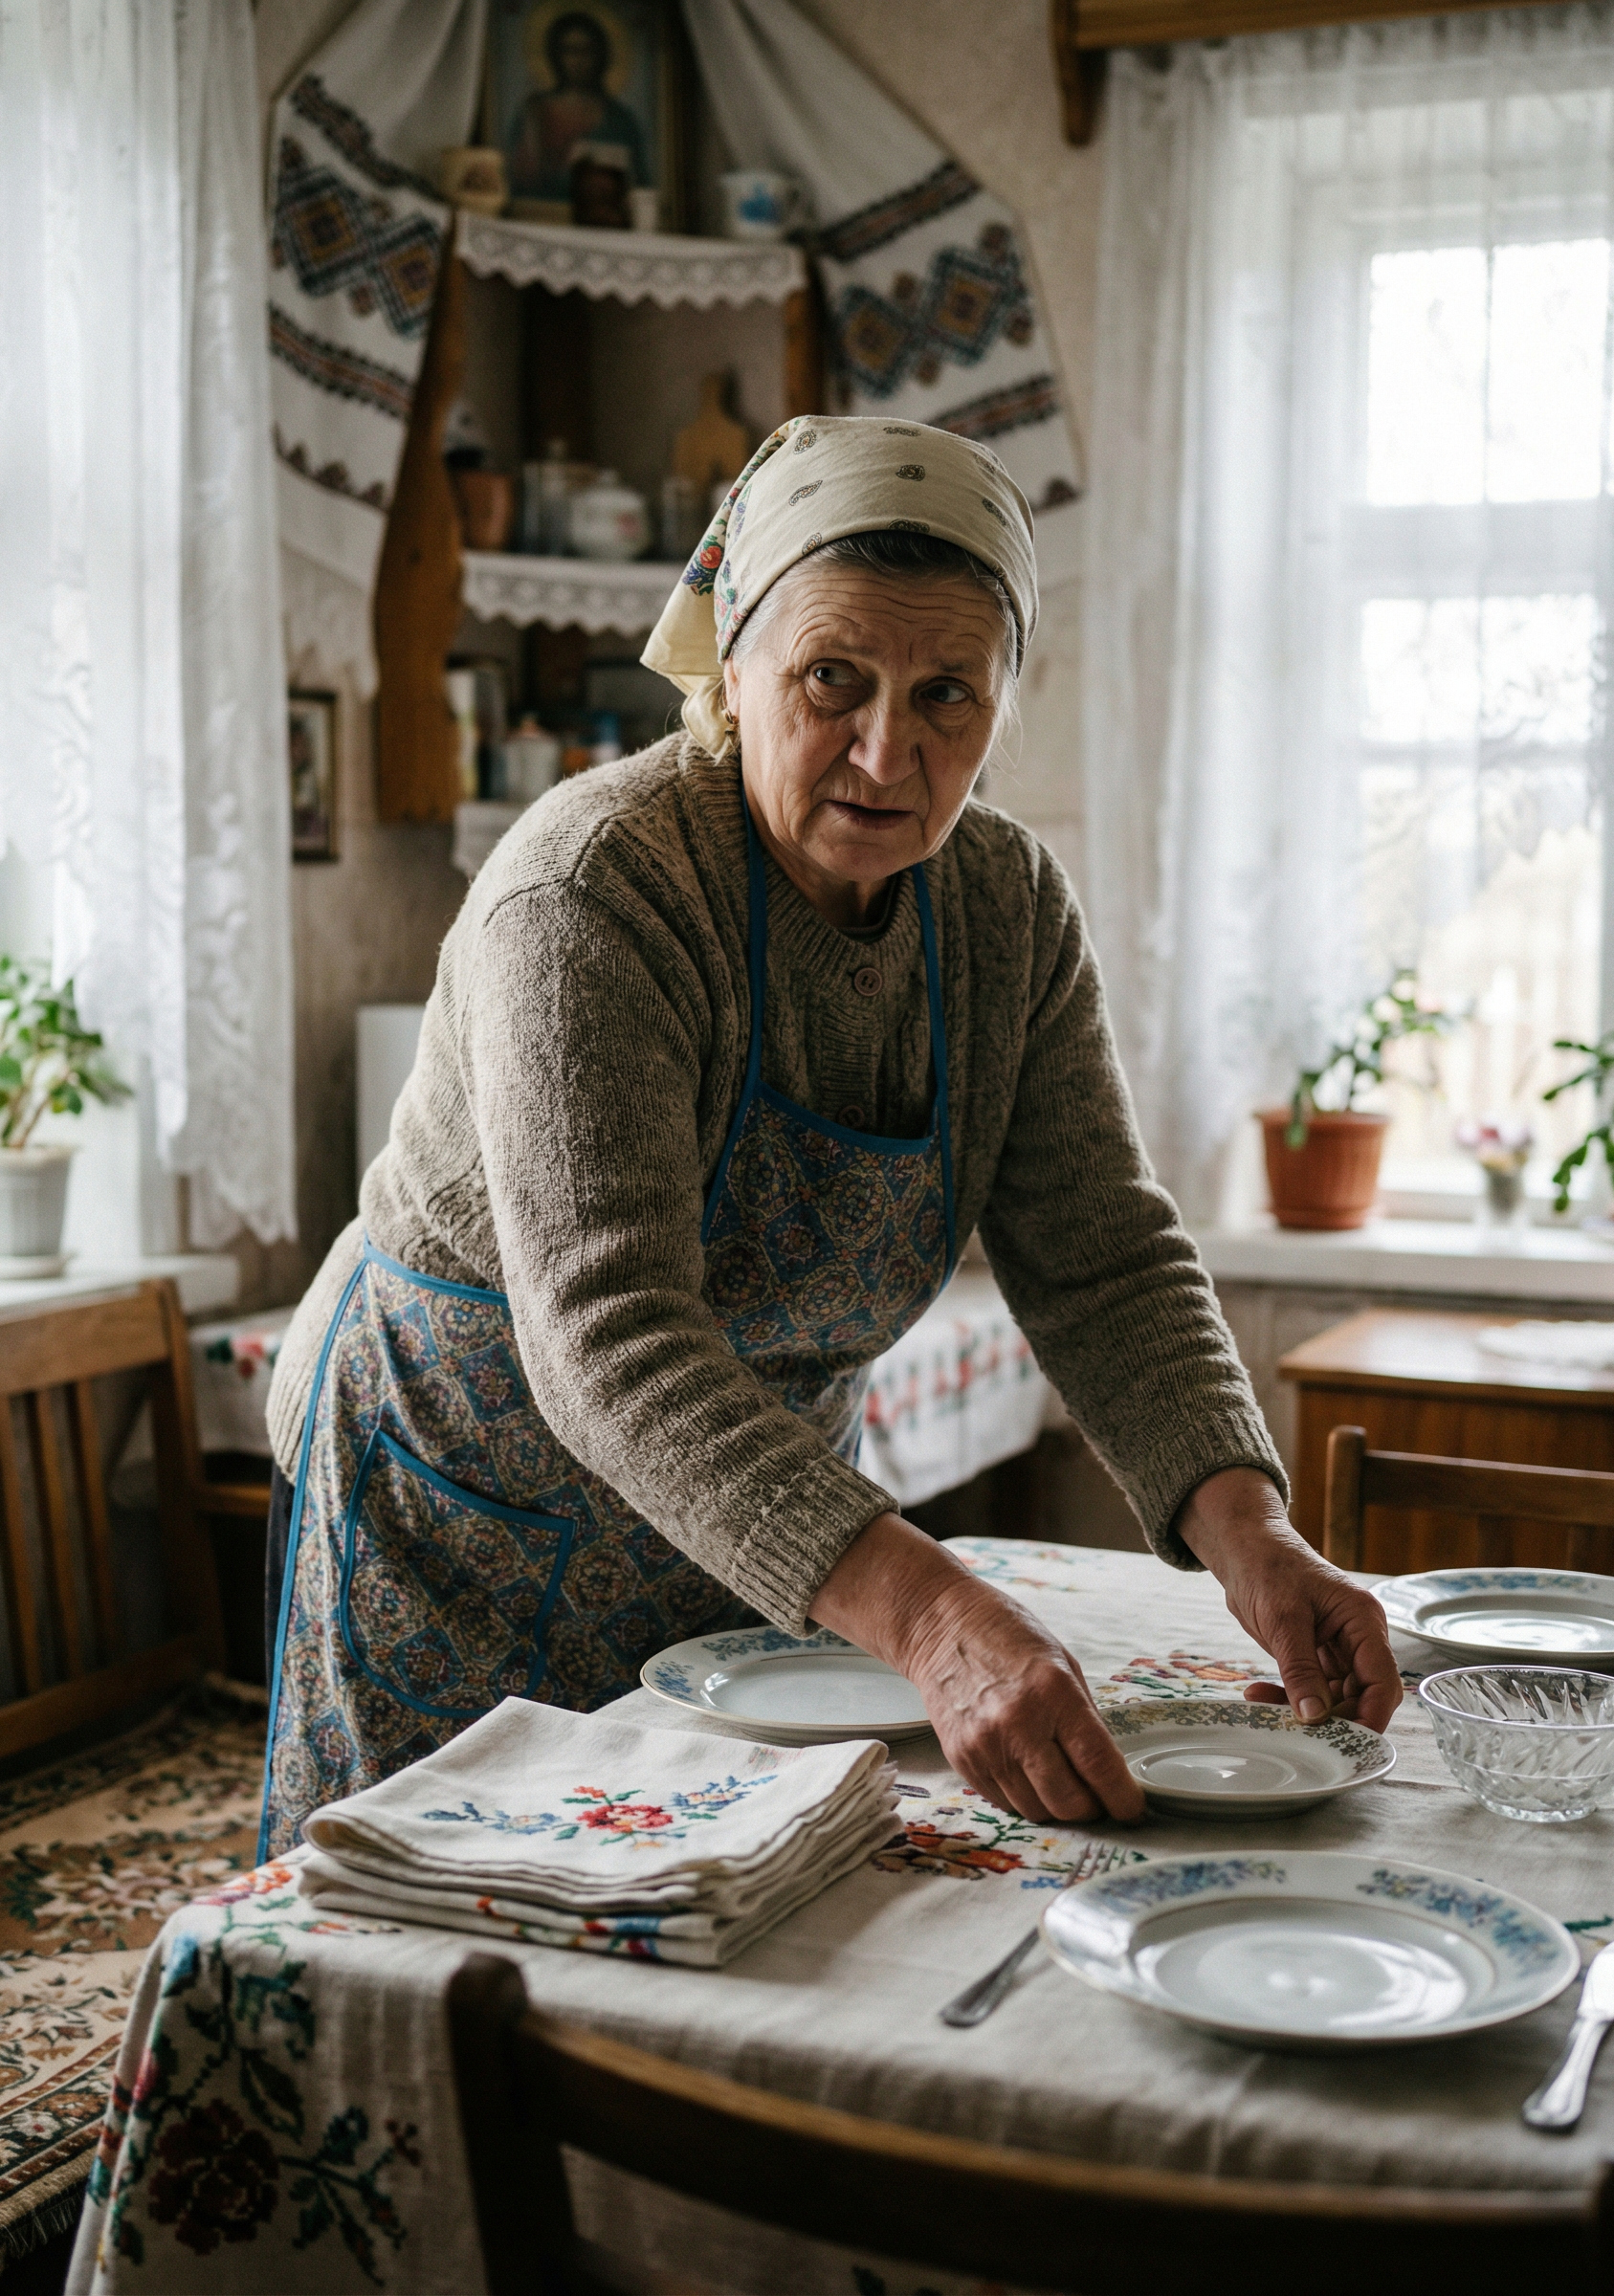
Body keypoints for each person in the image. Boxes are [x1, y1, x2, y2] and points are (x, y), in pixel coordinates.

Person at [258, 415, 1401, 1857]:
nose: (887, 751)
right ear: (732, 667)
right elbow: (613, 1339)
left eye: (947, 697)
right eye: (832, 681)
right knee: (423, 1925)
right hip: (460, 1501)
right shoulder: (591, 894)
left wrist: (1256, 1539)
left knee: (714, 1905)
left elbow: (1102, 1256)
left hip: (747, 1519)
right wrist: (930, 1613)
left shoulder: (1006, 911)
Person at [507, 9, 649, 206]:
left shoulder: (620, 119)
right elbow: (515, 178)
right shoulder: (533, 112)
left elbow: (639, 182)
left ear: (600, 55)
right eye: (571, 50)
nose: (579, 60)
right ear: (555, 54)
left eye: (587, 51)